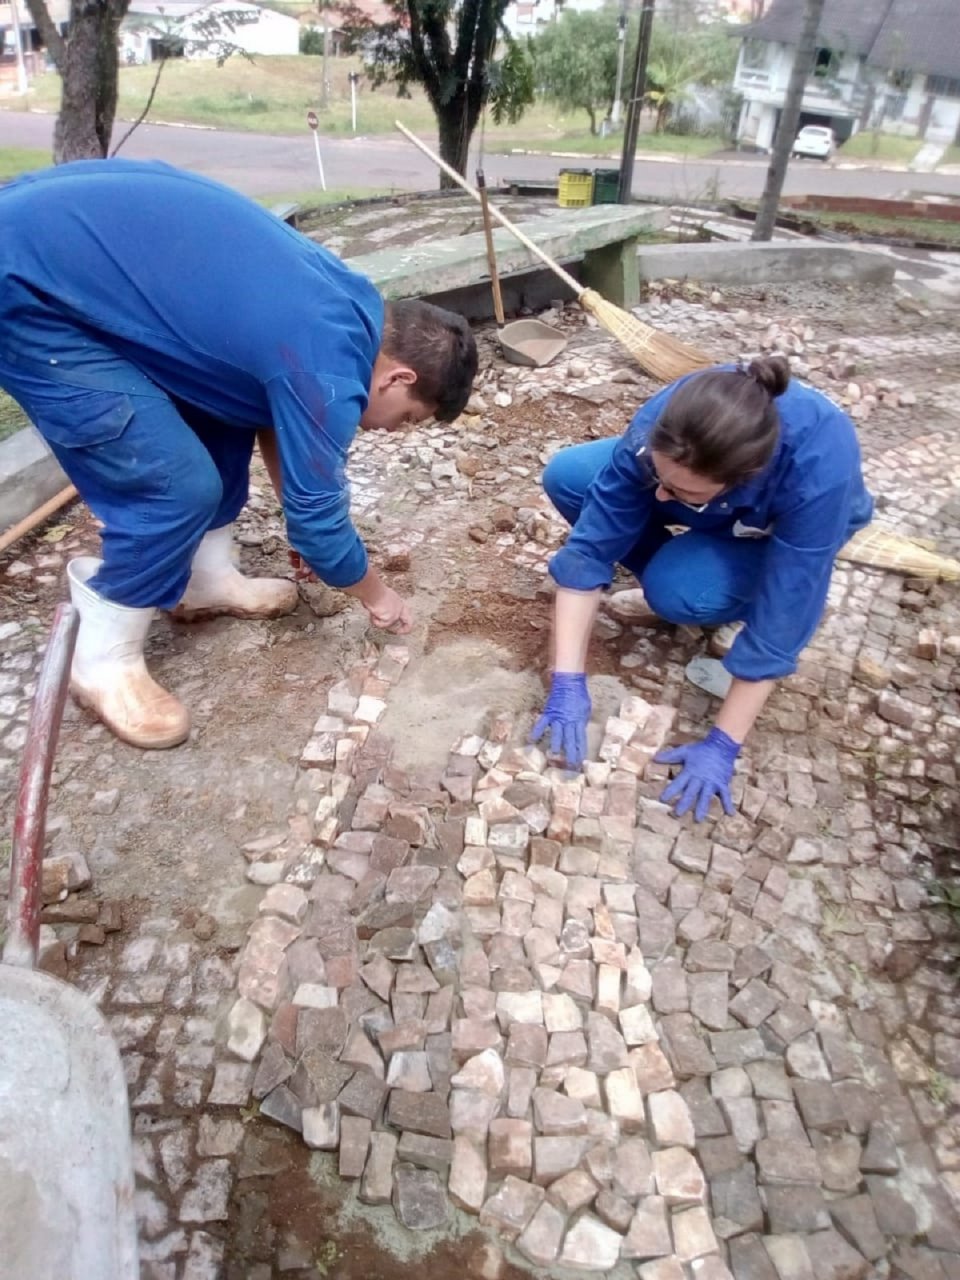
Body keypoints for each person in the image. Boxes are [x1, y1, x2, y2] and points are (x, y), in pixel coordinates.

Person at [0, 159, 477, 750]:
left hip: (55, 236)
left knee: (229, 403)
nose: (388, 430)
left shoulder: (354, 306)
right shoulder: (328, 368)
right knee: (173, 486)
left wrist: (303, 520)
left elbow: (278, 425)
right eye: (406, 418)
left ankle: (202, 580)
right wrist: (377, 597)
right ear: (398, 377)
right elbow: (320, 519)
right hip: (25, 283)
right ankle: (101, 658)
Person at [532, 356, 873, 822]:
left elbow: (784, 614)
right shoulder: (670, 420)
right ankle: (681, 561)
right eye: (659, 478)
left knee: (678, 592)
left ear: (741, 480)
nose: (659, 499)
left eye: (678, 493)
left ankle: (708, 594)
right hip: (699, 483)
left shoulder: (818, 472)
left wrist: (722, 745)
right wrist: (567, 680)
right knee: (570, 476)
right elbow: (588, 550)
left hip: (775, 529)